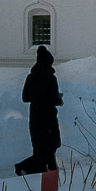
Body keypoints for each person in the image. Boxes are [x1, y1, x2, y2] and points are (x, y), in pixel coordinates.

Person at [17, 45, 63, 175]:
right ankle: (26, 168)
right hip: (48, 116)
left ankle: (44, 170)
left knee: (39, 147)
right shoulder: (50, 78)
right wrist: (59, 100)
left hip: (35, 116)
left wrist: (37, 96)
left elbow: (25, 98)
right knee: (51, 145)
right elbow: (54, 99)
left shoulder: (30, 77)